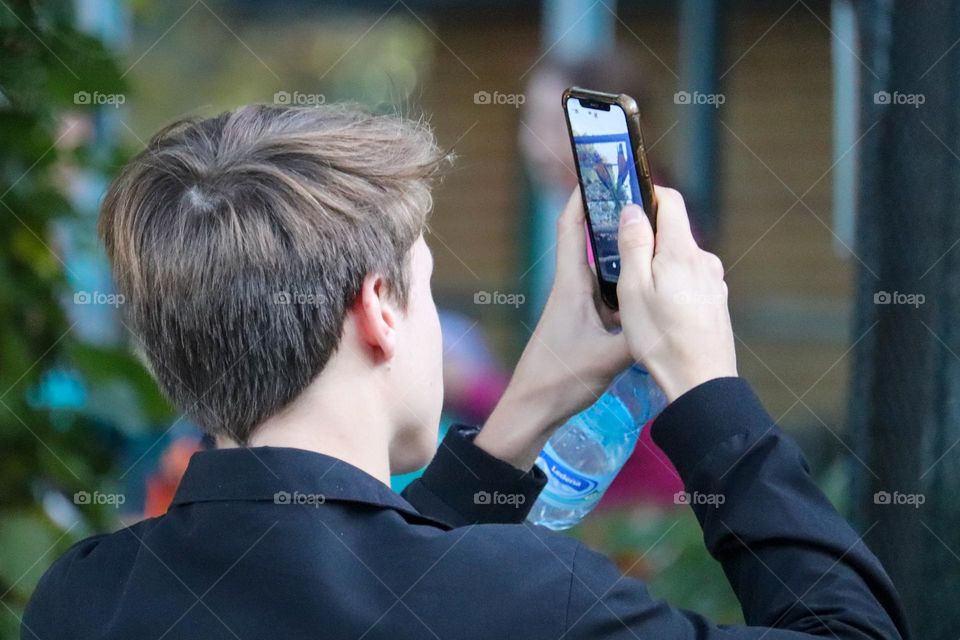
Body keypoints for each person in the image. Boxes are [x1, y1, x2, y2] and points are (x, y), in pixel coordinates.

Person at [23, 104, 907, 640]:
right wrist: (711, 391)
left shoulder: (84, 599)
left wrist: (535, 400)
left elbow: (359, 579)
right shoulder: (531, 599)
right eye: (427, 286)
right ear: (378, 309)